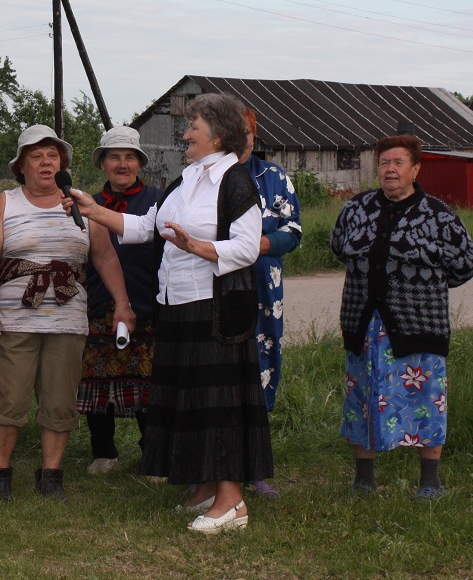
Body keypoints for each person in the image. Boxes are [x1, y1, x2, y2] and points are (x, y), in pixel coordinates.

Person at [66, 93, 267, 533]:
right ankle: (204, 489)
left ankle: (232, 501)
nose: (185, 133)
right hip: (176, 307)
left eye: (193, 125)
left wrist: (197, 247)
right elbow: (146, 227)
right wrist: (94, 210)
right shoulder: (185, 179)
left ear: (217, 133)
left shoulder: (235, 180)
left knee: (216, 404)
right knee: (187, 401)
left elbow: (248, 247)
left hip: (213, 310)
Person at [0, 125, 137, 502]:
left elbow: (104, 257)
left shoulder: (81, 203)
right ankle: (0, 474)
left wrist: (123, 304)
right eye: (36, 156)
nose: (46, 162)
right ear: (22, 167)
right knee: (9, 402)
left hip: (67, 321)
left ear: (62, 164)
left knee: (59, 402)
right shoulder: (6, 203)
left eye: (53, 156)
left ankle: (51, 476)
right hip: (14, 320)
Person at [330, 134, 473, 499]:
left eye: (398, 163)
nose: (390, 169)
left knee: (426, 399)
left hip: (419, 327)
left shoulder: (440, 216)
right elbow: (339, 247)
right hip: (364, 325)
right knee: (362, 398)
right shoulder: (356, 208)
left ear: (415, 168)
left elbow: (466, 264)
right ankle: (363, 480)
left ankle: (430, 483)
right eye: (384, 162)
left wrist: (423, 290)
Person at [75, 126, 161, 475]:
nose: (122, 164)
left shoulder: (158, 199)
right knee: (96, 379)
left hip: (146, 302)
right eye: (115, 157)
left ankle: (153, 453)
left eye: (129, 157)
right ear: (103, 164)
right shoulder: (86, 204)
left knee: (149, 384)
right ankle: (103, 452)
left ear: (139, 163)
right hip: (98, 303)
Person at [240, 108, 303, 498]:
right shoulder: (206, 176)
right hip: (216, 287)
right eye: (235, 131)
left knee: (261, 368)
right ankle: (211, 467)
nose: (242, 139)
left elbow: (292, 230)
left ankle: (255, 468)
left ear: (255, 134)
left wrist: (257, 244)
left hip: (264, 287)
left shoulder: (274, 177)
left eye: (248, 132)